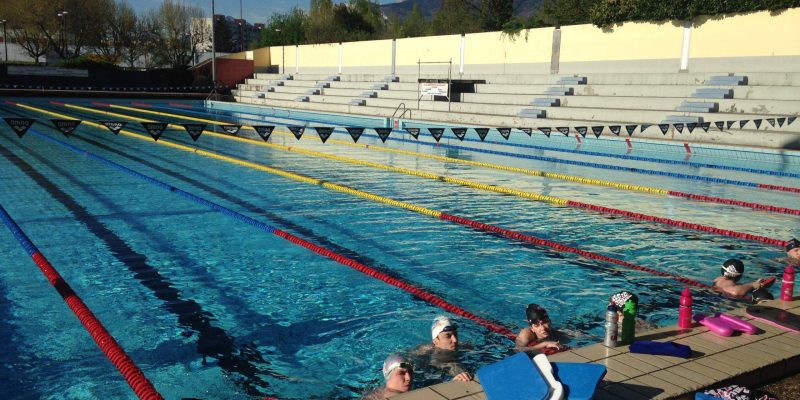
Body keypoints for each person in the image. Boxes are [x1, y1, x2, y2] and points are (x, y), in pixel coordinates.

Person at [412, 316, 472, 382]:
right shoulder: (423, 351)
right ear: (435, 341)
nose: (455, 340)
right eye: (448, 336)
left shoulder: (464, 347)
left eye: (455, 334)